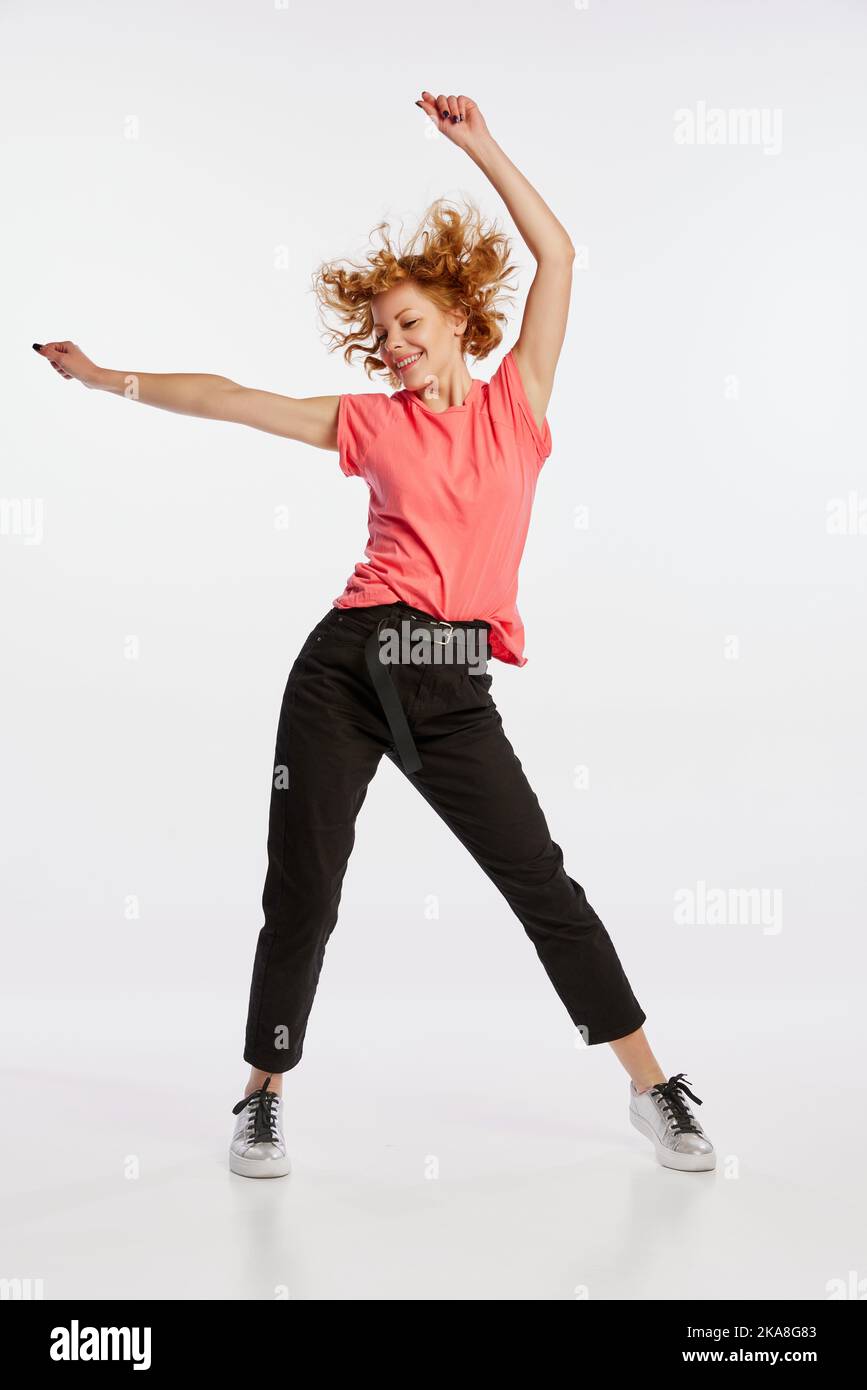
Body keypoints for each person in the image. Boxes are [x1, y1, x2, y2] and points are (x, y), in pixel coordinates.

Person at [33, 89, 715, 1178]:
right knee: (303, 888)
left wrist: (478, 143)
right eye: (383, 331)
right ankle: (260, 1095)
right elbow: (230, 398)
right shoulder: (369, 422)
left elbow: (561, 255)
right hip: (347, 669)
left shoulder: (518, 404)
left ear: (457, 319)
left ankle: (653, 1085)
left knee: (541, 882)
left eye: (412, 324)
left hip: (452, 676)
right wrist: (105, 376)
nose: (394, 345)